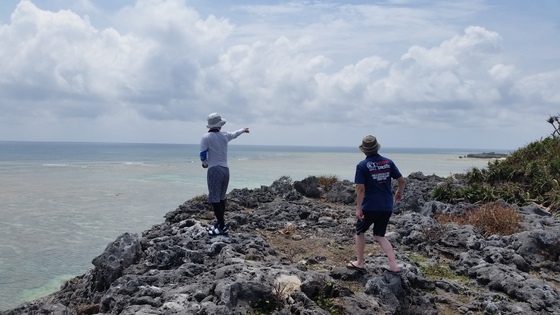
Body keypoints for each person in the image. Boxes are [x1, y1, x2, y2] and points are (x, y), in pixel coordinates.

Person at [347, 135, 405, 273]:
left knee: (360, 231)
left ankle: (360, 262)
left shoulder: (362, 166)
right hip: (386, 205)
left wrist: (358, 208)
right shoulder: (388, 162)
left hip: (370, 205)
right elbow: (401, 180)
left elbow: (360, 189)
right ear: (376, 147)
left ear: (364, 150)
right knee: (380, 236)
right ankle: (393, 265)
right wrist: (399, 193)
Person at [199, 113, 249, 236]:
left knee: (214, 199)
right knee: (221, 198)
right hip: (225, 170)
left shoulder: (206, 137)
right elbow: (235, 133)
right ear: (220, 125)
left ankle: (222, 226)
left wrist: (205, 164)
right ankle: (219, 224)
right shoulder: (225, 136)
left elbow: (203, 155)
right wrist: (244, 130)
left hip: (214, 169)